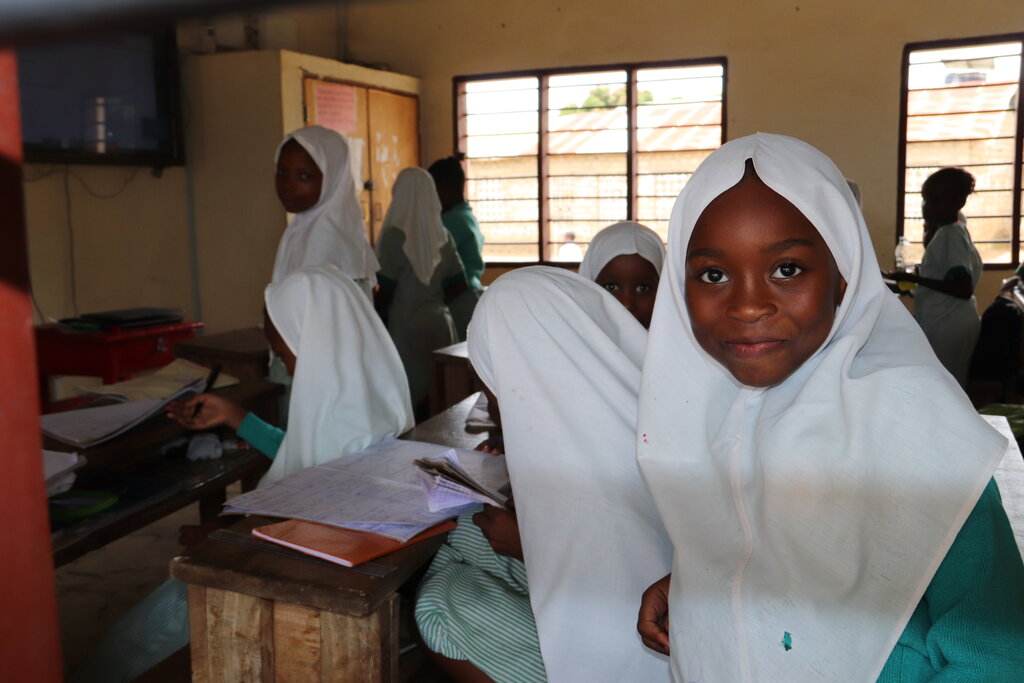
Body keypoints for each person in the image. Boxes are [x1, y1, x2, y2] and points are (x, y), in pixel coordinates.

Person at [635, 134, 1024, 681]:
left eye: (787, 269)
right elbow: (771, 540)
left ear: (845, 275)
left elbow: (996, 655)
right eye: (713, 274)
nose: (748, 304)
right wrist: (698, 581)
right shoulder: (705, 412)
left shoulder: (913, 427)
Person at [70, 265, 413, 683]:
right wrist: (237, 417)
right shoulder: (365, 404)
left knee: (124, 649)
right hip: (281, 563)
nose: (282, 363)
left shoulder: (345, 428)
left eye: (284, 351)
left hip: (271, 582)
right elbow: (307, 458)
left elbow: (309, 537)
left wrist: (222, 542)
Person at [415, 263, 672, 682]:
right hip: (633, 616)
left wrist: (525, 541)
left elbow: (613, 586)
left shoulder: (600, 468)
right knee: (460, 540)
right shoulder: (626, 409)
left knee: (439, 603)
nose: (489, 394)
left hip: (628, 656)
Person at [376, 166, 467, 416]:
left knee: (411, 395)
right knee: (441, 395)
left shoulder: (395, 236)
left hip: (406, 325)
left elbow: (386, 288)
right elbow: (460, 282)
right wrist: (434, 300)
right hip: (440, 322)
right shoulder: (442, 236)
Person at [886, 168, 982, 387]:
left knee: (944, 385)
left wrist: (916, 281)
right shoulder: (950, 231)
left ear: (957, 203)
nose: (926, 207)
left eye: (935, 201)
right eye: (925, 200)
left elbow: (962, 287)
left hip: (949, 324)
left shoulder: (950, 235)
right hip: (947, 319)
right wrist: (904, 286)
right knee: (946, 384)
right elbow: (940, 281)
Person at [271, 125, 379, 297]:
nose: (287, 185)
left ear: (333, 178)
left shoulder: (326, 241)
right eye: (282, 171)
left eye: (304, 176)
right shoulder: (301, 228)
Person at [429, 156, 485, 340]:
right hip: (471, 295)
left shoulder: (448, 222)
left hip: (459, 299)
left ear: (444, 191)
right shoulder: (466, 215)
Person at [579, 220, 665, 329]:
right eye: (611, 287)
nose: (627, 304)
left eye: (642, 288)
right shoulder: (566, 343)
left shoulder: (678, 344)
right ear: (589, 287)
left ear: (663, 291)